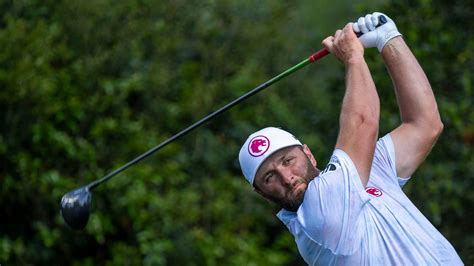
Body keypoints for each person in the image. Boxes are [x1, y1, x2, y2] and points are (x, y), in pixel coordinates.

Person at [238, 12, 463, 265]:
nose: (286, 177)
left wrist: (388, 38)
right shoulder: (316, 219)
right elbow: (363, 123)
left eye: (288, 160)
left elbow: (425, 124)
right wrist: (353, 57)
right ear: (262, 193)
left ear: (308, 153)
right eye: (269, 177)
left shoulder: (363, 173)